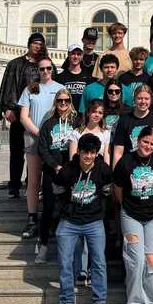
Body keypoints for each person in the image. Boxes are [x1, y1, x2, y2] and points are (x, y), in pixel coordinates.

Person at [113, 126, 153, 304]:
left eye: (152, 144)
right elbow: (118, 189)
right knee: (136, 259)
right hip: (131, 215)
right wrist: (129, 206)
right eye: (145, 142)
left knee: (152, 260)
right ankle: (135, 301)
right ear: (138, 140)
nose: (148, 146)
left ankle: (150, 300)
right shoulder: (125, 162)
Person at [52, 133, 112, 304]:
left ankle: (99, 302)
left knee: (99, 262)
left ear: (96, 153)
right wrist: (66, 208)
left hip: (94, 221)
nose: (88, 156)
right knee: (65, 261)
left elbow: (108, 192)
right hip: (69, 221)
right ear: (78, 152)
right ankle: (67, 302)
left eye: (92, 153)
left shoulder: (104, 170)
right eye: (85, 152)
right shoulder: (67, 170)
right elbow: (57, 189)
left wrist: (101, 211)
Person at [0, 32, 49, 198]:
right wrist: (6, 108)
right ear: (29, 44)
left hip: (36, 115)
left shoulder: (45, 64)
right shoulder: (15, 64)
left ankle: (31, 184)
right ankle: (14, 185)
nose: (37, 46)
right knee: (17, 152)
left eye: (40, 43)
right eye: (34, 42)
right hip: (18, 114)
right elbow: (7, 86)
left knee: (34, 152)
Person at [18, 57, 64, 239]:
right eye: (42, 69)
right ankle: (31, 218)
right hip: (34, 137)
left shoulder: (59, 88)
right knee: (34, 181)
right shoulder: (30, 88)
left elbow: (65, 110)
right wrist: (39, 133)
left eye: (48, 68)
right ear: (37, 70)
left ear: (52, 69)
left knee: (52, 180)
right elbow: (23, 116)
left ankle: (52, 217)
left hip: (55, 139)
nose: (45, 72)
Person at [37, 89, 77, 263]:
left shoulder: (76, 122)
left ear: (70, 102)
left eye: (66, 101)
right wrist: (55, 166)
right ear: (55, 102)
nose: (63, 104)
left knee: (70, 209)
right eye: (60, 101)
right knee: (48, 208)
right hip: (51, 170)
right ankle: (43, 245)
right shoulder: (48, 124)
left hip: (71, 171)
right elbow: (42, 148)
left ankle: (69, 251)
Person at [112, 85, 153, 166]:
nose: (143, 102)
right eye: (139, 98)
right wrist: (115, 174)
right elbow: (118, 152)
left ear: (151, 100)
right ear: (134, 99)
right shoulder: (124, 120)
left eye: (146, 99)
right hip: (130, 165)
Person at [69, 100, 111, 164]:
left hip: (99, 171)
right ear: (88, 113)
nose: (97, 115)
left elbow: (106, 157)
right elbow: (72, 158)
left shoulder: (106, 133)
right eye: (94, 112)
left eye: (100, 113)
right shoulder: (76, 133)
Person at [56, 43, 91, 113]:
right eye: (73, 54)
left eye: (78, 54)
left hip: (83, 116)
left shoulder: (88, 77)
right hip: (65, 115)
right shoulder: (60, 77)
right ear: (68, 55)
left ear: (82, 56)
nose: (76, 57)